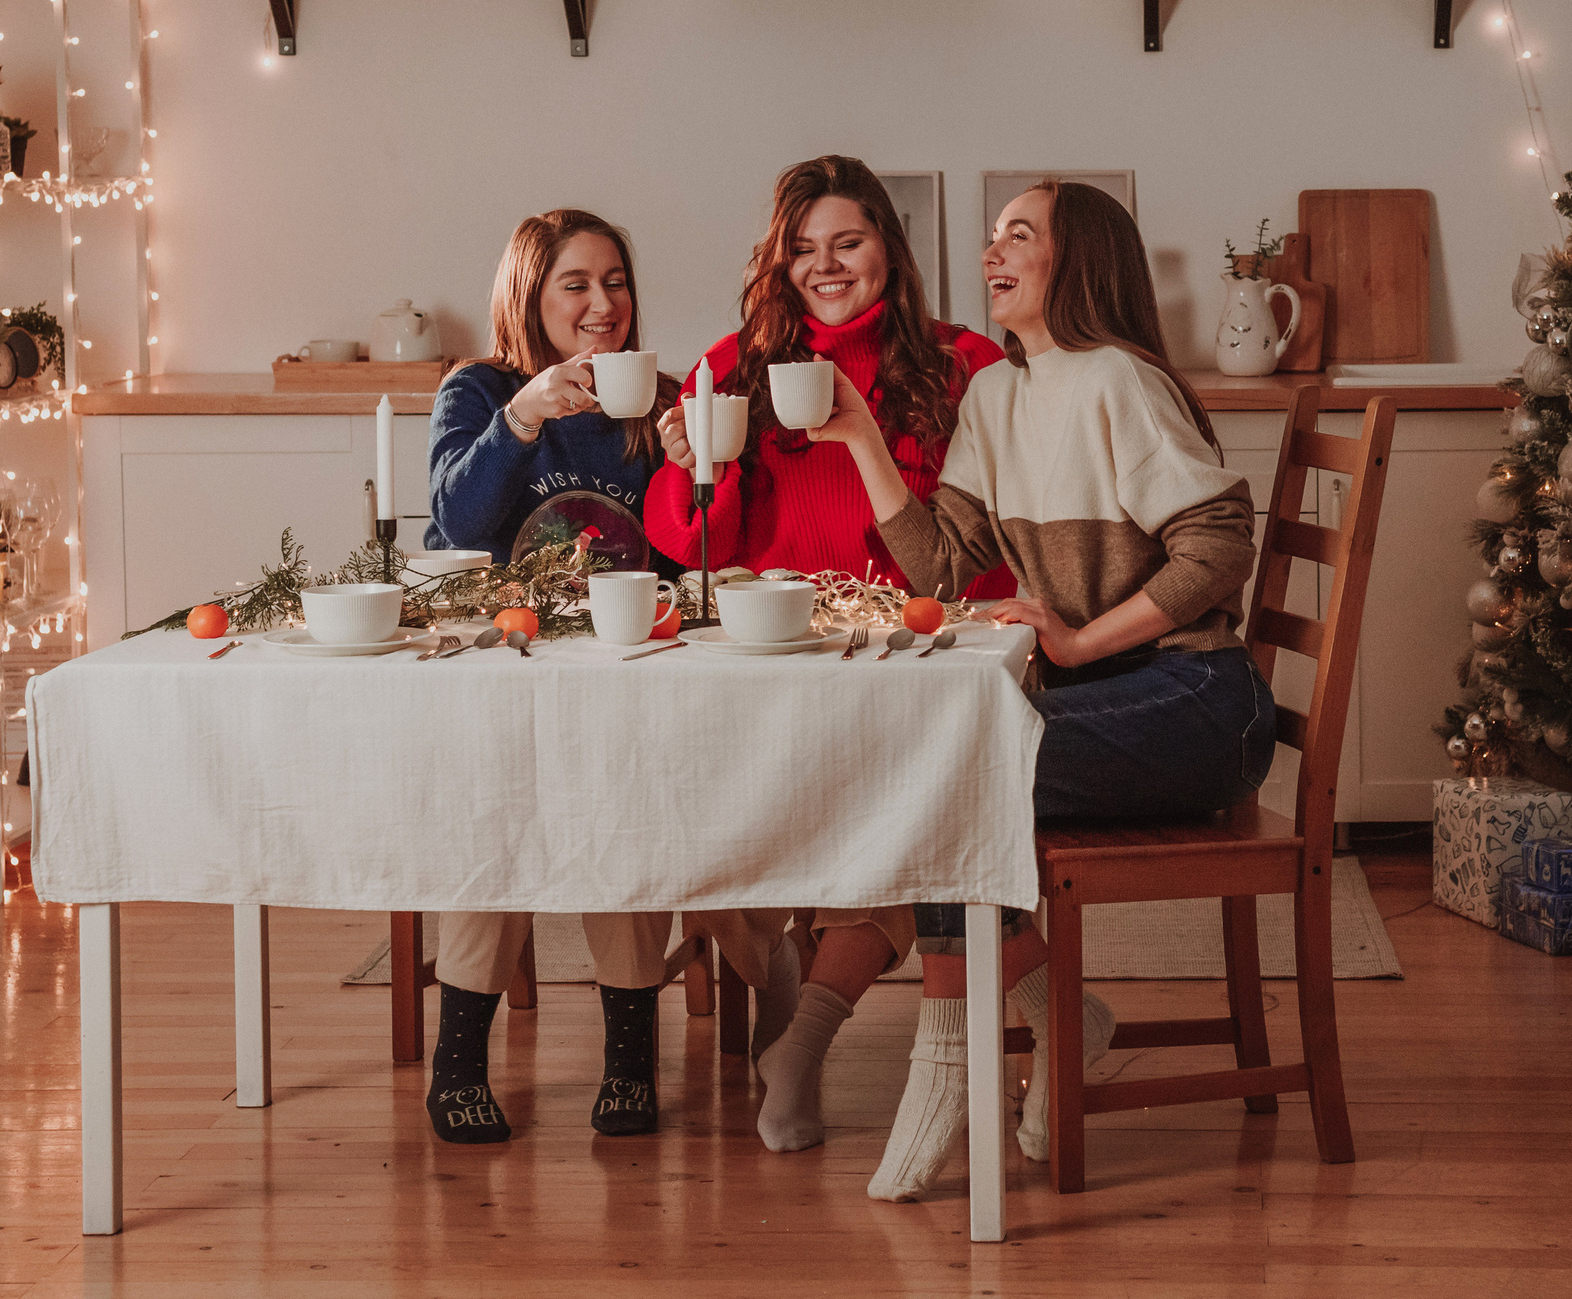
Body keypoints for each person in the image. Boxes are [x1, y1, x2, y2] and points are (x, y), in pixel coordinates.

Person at [802, 179, 1277, 1201]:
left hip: (1198, 701)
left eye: (1019, 234)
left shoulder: (1119, 381)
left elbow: (1218, 544)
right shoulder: (997, 395)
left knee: (949, 774)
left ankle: (950, 1061)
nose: (992, 253)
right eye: (992, 235)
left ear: (1080, 261)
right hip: (1117, 701)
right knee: (940, 768)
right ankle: (1059, 1021)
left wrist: (1077, 639)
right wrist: (862, 440)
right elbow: (940, 565)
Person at [642, 154, 1013, 1153]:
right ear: (780, 261)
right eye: (803, 249)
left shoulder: (963, 364)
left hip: (909, 660)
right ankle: (785, 991)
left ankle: (800, 1045)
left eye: (848, 241)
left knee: (911, 808)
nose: (826, 265)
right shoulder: (735, 366)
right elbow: (690, 544)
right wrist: (699, 468)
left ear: (889, 245)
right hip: (774, 659)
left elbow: (983, 548)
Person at [422, 207, 795, 1144]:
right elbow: (457, 525)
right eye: (577, 284)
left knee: (627, 809)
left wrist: (695, 469)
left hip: (631, 668)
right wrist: (522, 417)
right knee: (493, 819)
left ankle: (630, 1057)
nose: (603, 304)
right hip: (507, 670)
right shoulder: (479, 391)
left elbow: (695, 556)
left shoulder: (658, 399)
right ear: (530, 294)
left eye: (616, 281)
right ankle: (457, 1063)